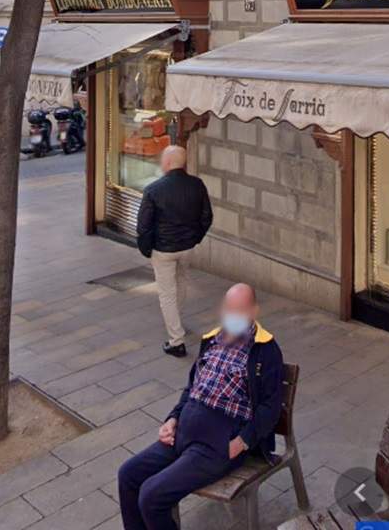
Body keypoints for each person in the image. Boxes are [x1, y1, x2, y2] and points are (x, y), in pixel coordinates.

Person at [116, 284, 284, 530]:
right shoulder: (212, 341)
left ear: (254, 311)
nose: (233, 316)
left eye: (240, 311)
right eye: (229, 309)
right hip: (183, 432)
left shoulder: (265, 350)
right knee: (128, 475)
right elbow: (192, 388)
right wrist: (172, 419)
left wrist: (241, 443)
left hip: (216, 445)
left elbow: (270, 408)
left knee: (152, 497)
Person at [137, 144, 213, 357]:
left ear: (168, 163)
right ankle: (176, 322)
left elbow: (143, 226)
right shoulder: (197, 185)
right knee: (181, 283)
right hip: (187, 247)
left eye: (163, 159)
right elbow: (207, 217)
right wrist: (195, 238)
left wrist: (147, 249)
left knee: (167, 293)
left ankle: (176, 340)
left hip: (164, 250)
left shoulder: (153, 190)